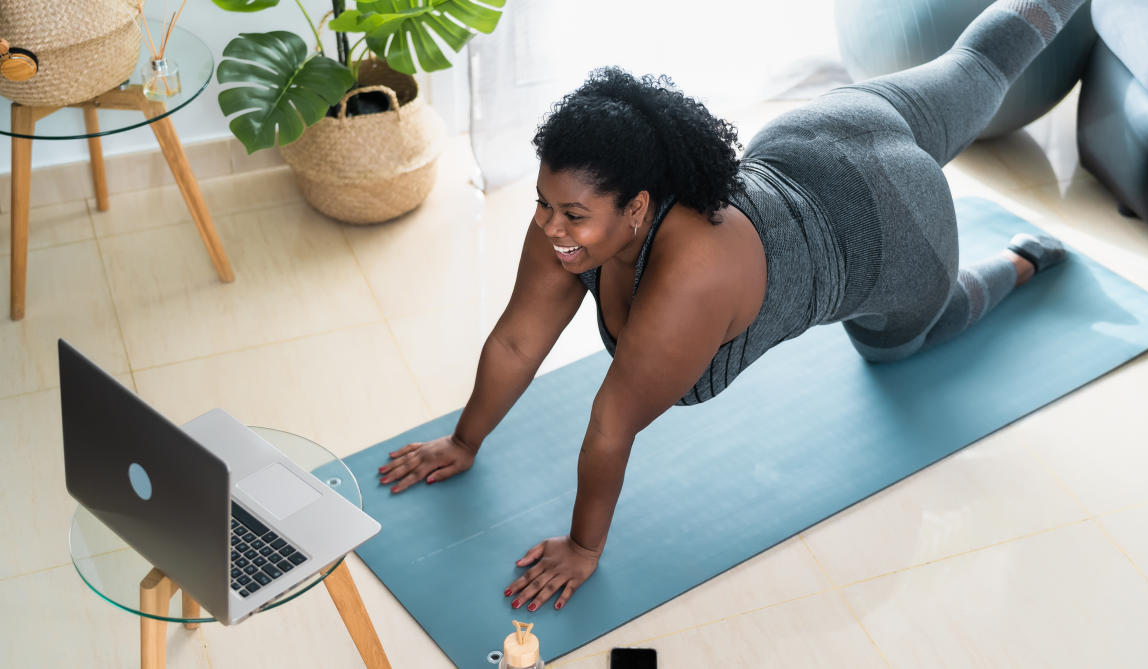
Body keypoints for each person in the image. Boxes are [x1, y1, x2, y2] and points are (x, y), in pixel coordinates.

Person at [377, 0, 1081, 613]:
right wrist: (464, 441)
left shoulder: (691, 275)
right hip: (826, 134)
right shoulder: (570, 233)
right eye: (543, 203)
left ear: (638, 208)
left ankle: (1019, 263)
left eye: (571, 213)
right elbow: (514, 343)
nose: (551, 226)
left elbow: (611, 423)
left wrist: (583, 546)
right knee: (977, 66)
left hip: (897, 230)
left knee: (896, 346)